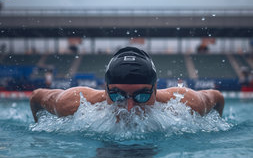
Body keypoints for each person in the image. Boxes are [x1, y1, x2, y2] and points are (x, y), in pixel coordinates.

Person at [30, 47, 225, 122]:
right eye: (117, 96)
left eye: (141, 96)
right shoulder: (72, 102)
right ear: (105, 90)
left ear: (155, 90)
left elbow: (217, 97)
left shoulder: (187, 102)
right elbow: (37, 96)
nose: (130, 107)